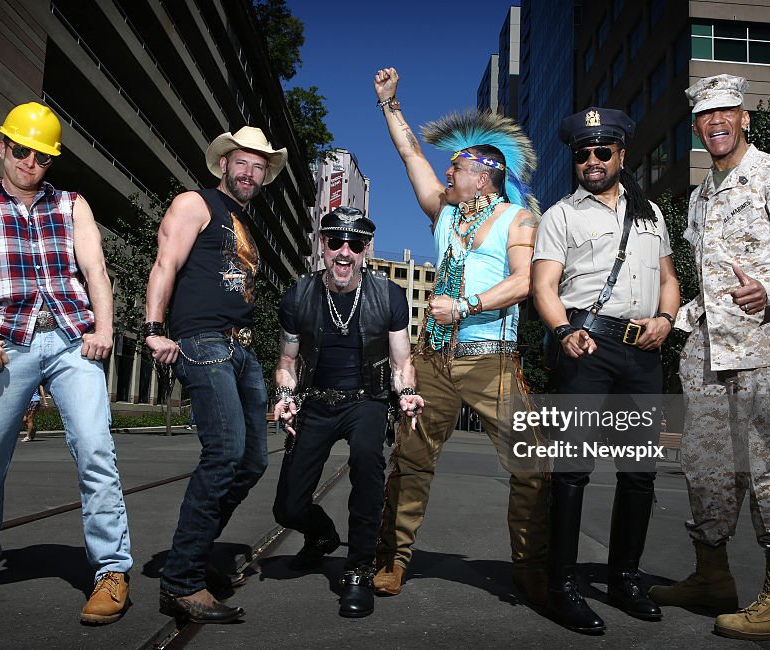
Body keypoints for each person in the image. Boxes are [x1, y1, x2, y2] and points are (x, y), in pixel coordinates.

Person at [0, 102, 133, 625]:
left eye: (41, 155)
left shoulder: (74, 205)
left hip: (70, 342)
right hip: (6, 345)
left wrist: (103, 330)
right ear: (2, 147)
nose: (29, 162)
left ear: (51, 160)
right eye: (21, 151)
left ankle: (111, 569)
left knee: (96, 450)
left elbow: (96, 270)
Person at [647, 75, 770, 641]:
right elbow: (709, 284)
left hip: (768, 354)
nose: (717, 123)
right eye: (706, 116)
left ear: (745, 117)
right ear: (697, 126)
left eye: (727, 112)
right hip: (709, 358)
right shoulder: (702, 196)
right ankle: (712, 577)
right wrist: (675, 323)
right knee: (706, 469)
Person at [371, 67, 548, 602]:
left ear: (485, 174)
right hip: (433, 361)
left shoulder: (517, 220)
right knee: (410, 458)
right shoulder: (446, 213)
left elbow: (524, 282)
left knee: (532, 464)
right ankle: (393, 559)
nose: (449, 170)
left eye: (459, 165)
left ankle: (532, 566)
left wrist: (468, 304)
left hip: (491, 359)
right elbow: (411, 158)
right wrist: (389, 104)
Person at [532, 107, 680, 633]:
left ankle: (624, 578)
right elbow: (544, 286)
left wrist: (667, 318)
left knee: (639, 474)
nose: (591, 161)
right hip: (586, 346)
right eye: (581, 154)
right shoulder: (560, 216)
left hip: (642, 352)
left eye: (601, 152)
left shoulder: (651, 214)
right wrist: (562, 330)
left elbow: (668, 278)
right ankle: (563, 586)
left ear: (621, 154)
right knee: (572, 472)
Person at [143, 126, 287, 624]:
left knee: (252, 462)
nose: (249, 172)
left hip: (241, 349)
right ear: (224, 164)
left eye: (258, 167)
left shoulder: (244, 221)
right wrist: (154, 327)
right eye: (242, 163)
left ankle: (195, 558)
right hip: (202, 340)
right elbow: (166, 261)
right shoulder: (195, 203)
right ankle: (181, 581)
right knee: (224, 453)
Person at [272, 206, 424, 618]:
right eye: (335, 241)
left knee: (366, 464)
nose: (344, 252)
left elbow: (400, 361)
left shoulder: (388, 294)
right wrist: (285, 395)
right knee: (286, 507)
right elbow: (287, 363)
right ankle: (321, 536)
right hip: (317, 401)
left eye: (354, 244)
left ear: (365, 250)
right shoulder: (298, 295)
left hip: (367, 399)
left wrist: (407, 391)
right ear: (322, 245)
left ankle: (358, 567)